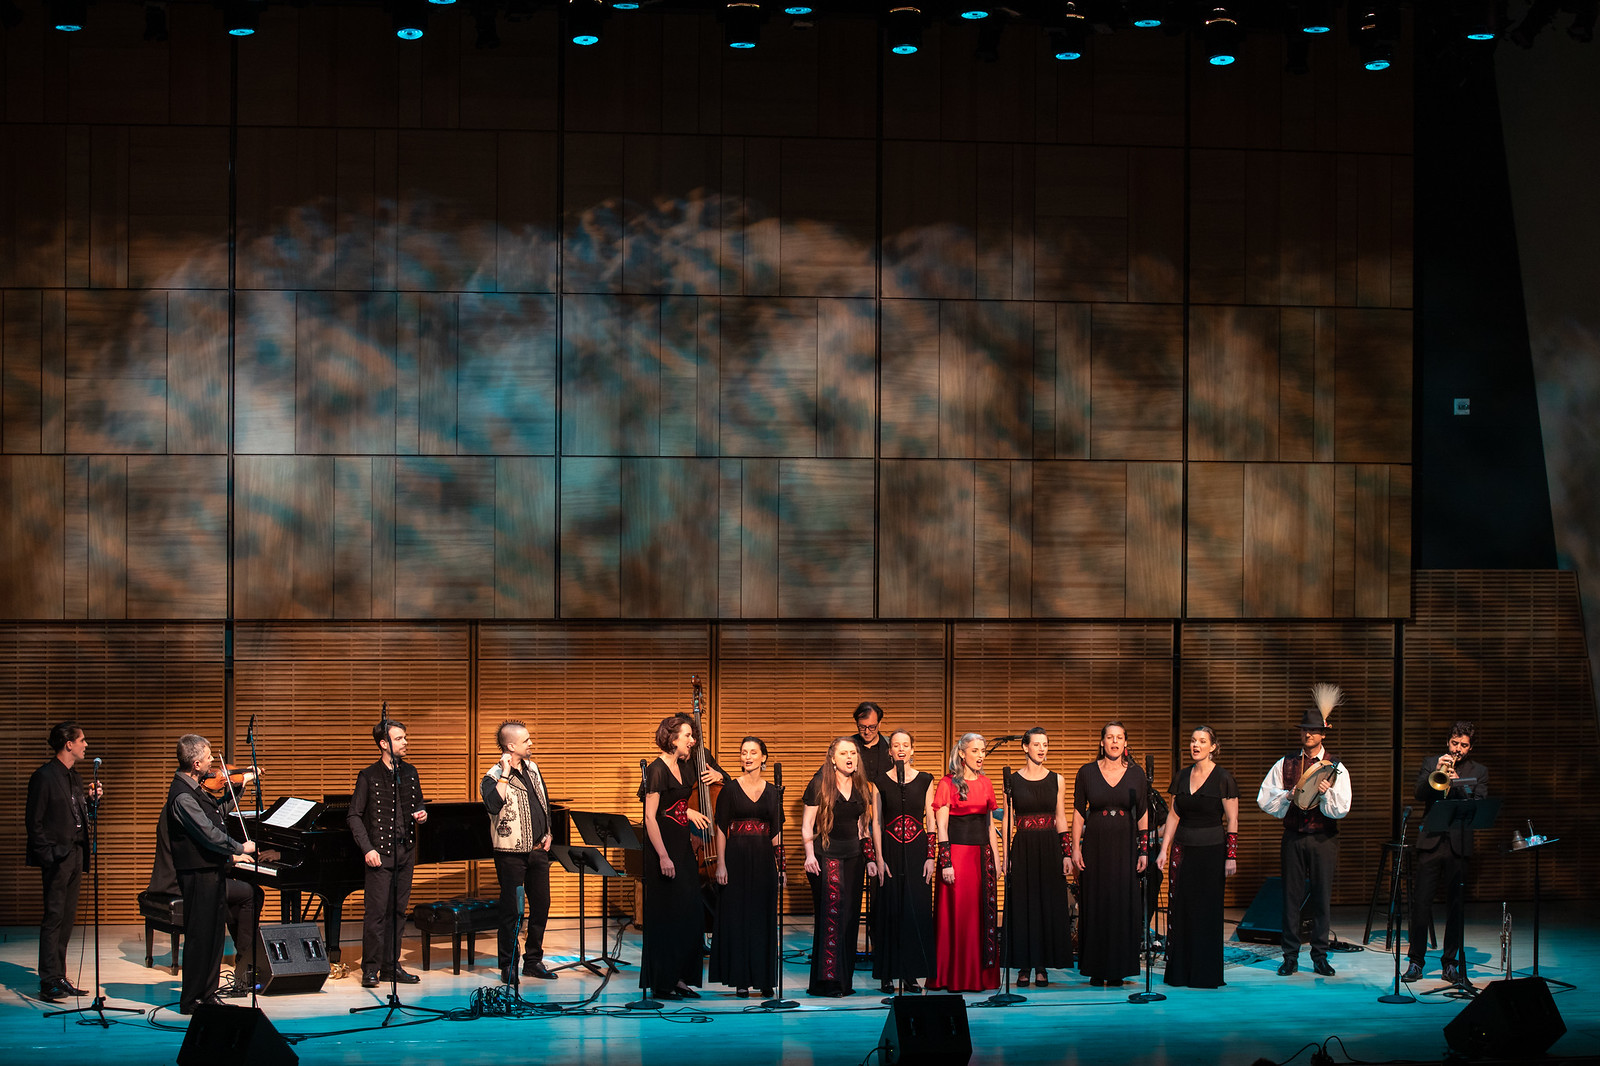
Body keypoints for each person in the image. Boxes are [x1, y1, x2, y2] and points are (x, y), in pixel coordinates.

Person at [1257, 683, 1352, 977]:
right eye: (1304, 730)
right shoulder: (1285, 763)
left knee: (1321, 898)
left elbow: (1342, 807)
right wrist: (1287, 795)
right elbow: (1264, 798)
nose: (1308, 734)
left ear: (1323, 734)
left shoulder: (1335, 766)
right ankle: (1290, 956)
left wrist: (1326, 794)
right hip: (1294, 837)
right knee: (1291, 898)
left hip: (1323, 838)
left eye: (1313, 730)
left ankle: (1320, 956)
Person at [147, 767, 265, 996]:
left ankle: (245, 967)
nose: (214, 773)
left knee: (237, 899)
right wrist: (235, 853)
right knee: (251, 894)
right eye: (208, 762)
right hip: (180, 880)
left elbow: (217, 813)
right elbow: (206, 838)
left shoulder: (192, 800)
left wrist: (239, 787)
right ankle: (245, 966)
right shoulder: (186, 801)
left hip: (197, 874)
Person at [164, 734, 256, 1014]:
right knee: (200, 937)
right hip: (197, 874)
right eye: (208, 757)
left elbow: (217, 813)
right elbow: (209, 834)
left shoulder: (195, 789)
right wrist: (240, 847)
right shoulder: (183, 795)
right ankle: (192, 1000)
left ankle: (207, 994)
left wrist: (238, 787)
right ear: (195, 764)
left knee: (214, 937)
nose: (212, 761)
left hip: (210, 871)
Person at [1405, 721, 1489, 985]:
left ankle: (1450, 963)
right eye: (1454, 743)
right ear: (1448, 742)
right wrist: (1438, 773)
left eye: (1463, 745)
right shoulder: (1432, 763)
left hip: (1458, 845)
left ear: (1470, 747)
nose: (1458, 749)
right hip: (1430, 842)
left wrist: (1458, 784)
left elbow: (1478, 803)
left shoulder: (1479, 771)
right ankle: (1416, 961)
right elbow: (1419, 793)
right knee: (1421, 904)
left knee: (1456, 907)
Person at [1156, 726, 1239, 989]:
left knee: (1207, 911)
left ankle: (1205, 974)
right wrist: (1163, 850)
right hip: (1183, 851)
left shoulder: (1223, 778)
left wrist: (1231, 855)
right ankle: (1180, 972)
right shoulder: (1181, 776)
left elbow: (1232, 819)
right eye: (1193, 740)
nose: (1196, 745)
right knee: (1182, 910)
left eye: (1202, 741)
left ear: (1213, 747)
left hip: (1212, 852)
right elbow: (1173, 816)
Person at [348, 717, 428, 988]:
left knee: (398, 912)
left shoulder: (410, 772)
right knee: (376, 914)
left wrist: (422, 813)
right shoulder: (368, 775)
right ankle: (371, 968)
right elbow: (354, 816)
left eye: (405, 737)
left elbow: (418, 802)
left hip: (405, 851)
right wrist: (367, 848)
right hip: (380, 854)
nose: (405, 742)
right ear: (383, 744)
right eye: (399, 738)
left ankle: (391, 966)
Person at [638, 714, 713, 1000]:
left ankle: (680, 978)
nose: (692, 740)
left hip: (682, 847)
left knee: (689, 914)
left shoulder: (683, 766)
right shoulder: (656, 770)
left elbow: (675, 803)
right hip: (664, 849)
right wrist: (663, 857)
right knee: (666, 916)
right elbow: (650, 817)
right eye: (687, 736)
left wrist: (689, 812)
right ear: (672, 739)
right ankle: (663, 982)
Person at [25, 723, 102, 1003]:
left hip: (76, 854)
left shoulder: (74, 777)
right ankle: (48, 980)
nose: (86, 745)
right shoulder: (44, 776)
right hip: (58, 857)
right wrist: (49, 856)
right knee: (54, 917)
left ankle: (60, 975)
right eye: (82, 740)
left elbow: (77, 815)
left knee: (67, 919)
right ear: (69, 744)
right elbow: (34, 822)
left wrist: (91, 801)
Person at [1071, 721, 1150, 986]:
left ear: (1125, 743)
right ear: (1102, 742)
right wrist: (1074, 847)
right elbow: (1078, 812)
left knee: (1122, 904)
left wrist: (1144, 850)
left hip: (1126, 847)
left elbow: (1143, 813)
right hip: (1096, 845)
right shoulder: (1086, 772)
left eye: (1119, 737)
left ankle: (1118, 968)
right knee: (1096, 903)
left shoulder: (1137, 774)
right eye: (1110, 737)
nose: (1114, 742)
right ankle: (1096, 967)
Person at [802, 736, 879, 996]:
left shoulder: (861, 786)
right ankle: (827, 983)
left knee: (849, 920)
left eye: (853, 753)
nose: (850, 757)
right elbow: (807, 825)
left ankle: (844, 982)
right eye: (844, 753)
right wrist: (809, 856)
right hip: (826, 857)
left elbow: (863, 828)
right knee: (830, 919)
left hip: (854, 859)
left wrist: (870, 858)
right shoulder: (819, 784)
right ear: (833, 759)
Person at [482, 719, 556, 986]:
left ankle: (533, 960)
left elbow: (544, 801)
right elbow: (493, 805)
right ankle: (508, 963)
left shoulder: (533, 768)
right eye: (526, 740)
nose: (531, 743)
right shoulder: (492, 776)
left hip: (538, 850)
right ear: (511, 746)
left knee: (542, 906)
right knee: (512, 911)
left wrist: (549, 832)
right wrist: (505, 772)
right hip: (511, 854)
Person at [710, 736, 785, 998]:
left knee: (763, 920)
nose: (748, 757)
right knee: (738, 919)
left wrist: (781, 867)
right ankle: (740, 979)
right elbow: (721, 829)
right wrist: (721, 864)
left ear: (764, 757)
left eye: (753, 752)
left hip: (764, 861)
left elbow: (776, 833)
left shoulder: (774, 792)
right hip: (736, 859)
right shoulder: (730, 789)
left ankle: (765, 980)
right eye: (744, 752)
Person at [1003, 727, 1073, 987]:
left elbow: (1061, 817)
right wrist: (1006, 856)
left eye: (1045, 744)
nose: (1042, 749)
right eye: (1037, 744)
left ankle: (1042, 965)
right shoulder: (1012, 780)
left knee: (1047, 904)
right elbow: (1008, 819)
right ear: (1025, 747)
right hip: (1023, 846)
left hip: (1049, 846)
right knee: (1023, 904)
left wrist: (1066, 853)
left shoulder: (1057, 779)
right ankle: (1024, 965)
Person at [931, 732, 1001, 993]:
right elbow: (942, 826)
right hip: (957, 857)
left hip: (981, 858)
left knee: (979, 916)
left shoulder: (986, 783)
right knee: (958, 917)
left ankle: (979, 976)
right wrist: (946, 862)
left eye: (983, 750)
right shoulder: (947, 783)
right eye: (975, 750)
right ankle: (955, 976)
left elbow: (989, 825)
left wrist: (997, 858)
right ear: (962, 753)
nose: (980, 755)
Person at [872, 729, 936, 994]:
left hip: (917, 851)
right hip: (889, 850)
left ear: (912, 749)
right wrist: (879, 857)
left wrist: (931, 856)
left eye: (905, 745)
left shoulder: (925, 779)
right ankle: (888, 973)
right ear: (890, 751)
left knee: (915, 910)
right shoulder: (879, 781)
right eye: (896, 745)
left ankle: (910, 973)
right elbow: (876, 822)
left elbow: (931, 820)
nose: (901, 749)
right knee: (889, 911)